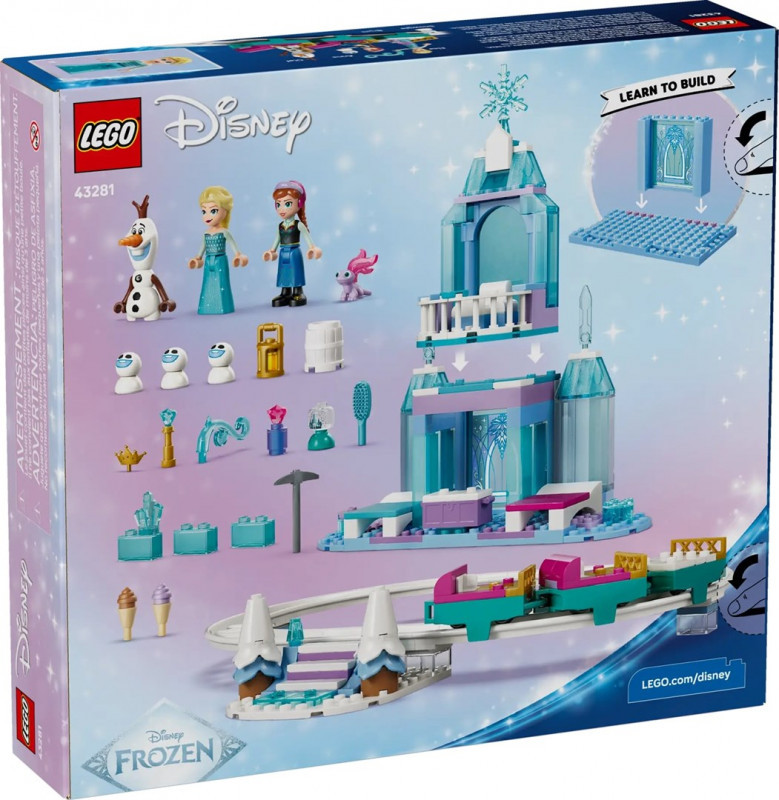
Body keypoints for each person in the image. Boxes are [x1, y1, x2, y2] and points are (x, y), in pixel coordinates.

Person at [189, 186, 249, 314]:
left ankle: (223, 307)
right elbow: (201, 250)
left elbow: (234, 247)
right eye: (204, 211)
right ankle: (206, 307)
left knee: (221, 284)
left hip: (220, 260)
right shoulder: (206, 234)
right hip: (208, 261)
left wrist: (238, 255)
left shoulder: (224, 232)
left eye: (213, 211)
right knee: (207, 283)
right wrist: (197, 258)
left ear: (224, 212)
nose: (207, 216)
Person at [263, 180, 321, 307]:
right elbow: (277, 240)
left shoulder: (298, 225)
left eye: (287, 203)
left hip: (294, 252)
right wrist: (271, 251)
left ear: (299, 203)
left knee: (296, 272)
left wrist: (312, 248)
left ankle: (298, 291)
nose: (282, 209)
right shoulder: (280, 226)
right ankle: (285, 292)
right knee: (283, 272)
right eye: (278, 204)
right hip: (283, 252)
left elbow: (308, 239)